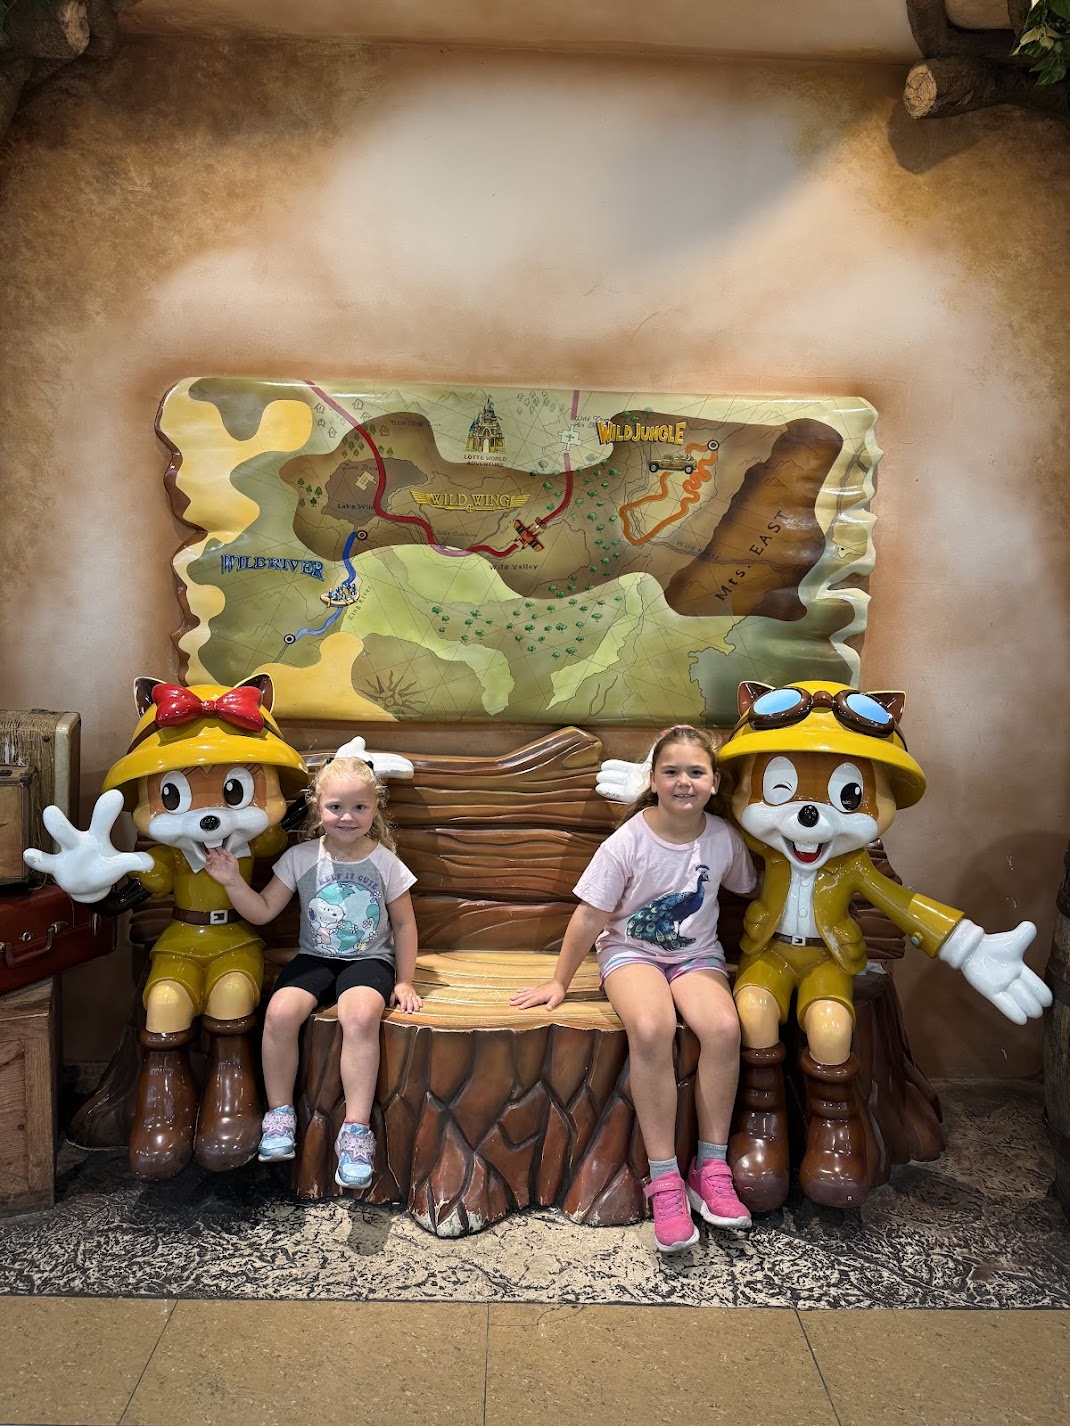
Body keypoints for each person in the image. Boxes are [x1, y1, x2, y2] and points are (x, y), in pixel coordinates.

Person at [511, 725, 756, 1252]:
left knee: (723, 1028)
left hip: (695, 955)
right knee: (651, 1027)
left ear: (715, 783)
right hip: (632, 951)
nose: (684, 782)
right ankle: (664, 1178)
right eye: (671, 772)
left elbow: (749, 885)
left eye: (696, 772)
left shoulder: (722, 838)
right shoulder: (628, 841)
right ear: (653, 780)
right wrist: (559, 981)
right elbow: (589, 915)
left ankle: (710, 1169)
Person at [204, 755, 420, 1189]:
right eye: (336, 806)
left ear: (374, 809)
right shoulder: (300, 858)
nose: (347, 817)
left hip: (369, 960)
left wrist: (404, 979)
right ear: (318, 807)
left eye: (359, 807)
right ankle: (279, 1115)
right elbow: (263, 911)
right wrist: (231, 881)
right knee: (280, 1012)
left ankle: (356, 1131)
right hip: (314, 958)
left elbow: (404, 925)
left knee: (360, 1016)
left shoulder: (386, 863)